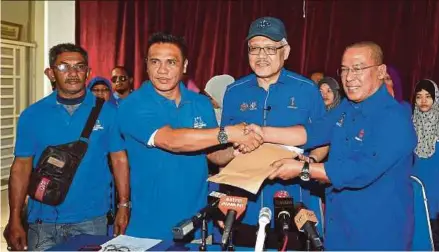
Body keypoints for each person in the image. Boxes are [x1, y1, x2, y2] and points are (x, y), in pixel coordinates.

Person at [244, 41, 417, 250]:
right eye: (344, 69)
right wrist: (263, 132)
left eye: (358, 69)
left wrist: (303, 169)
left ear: (381, 72)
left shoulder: (395, 118)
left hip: (378, 232)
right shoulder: (347, 107)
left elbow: (360, 170)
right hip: (339, 227)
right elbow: (312, 132)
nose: (349, 77)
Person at [116, 32, 262, 240]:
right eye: (155, 61)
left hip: (196, 225)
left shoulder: (200, 103)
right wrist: (229, 133)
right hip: (148, 228)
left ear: (184, 66)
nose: (162, 70)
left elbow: (214, 155)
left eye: (171, 62)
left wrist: (242, 146)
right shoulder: (133, 105)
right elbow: (172, 140)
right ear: (146, 65)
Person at [5, 43, 130, 251]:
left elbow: (119, 159)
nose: (73, 73)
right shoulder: (32, 115)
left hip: (92, 220)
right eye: (64, 67)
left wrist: (123, 205)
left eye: (80, 67)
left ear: (88, 72)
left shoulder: (108, 113)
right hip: (42, 221)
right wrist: (15, 217)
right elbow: (20, 167)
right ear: (51, 73)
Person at [219, 16, 327, 242]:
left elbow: (323, 141)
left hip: (295, 202)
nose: (261, 56)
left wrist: (309, 163)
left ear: (285, 51)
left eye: (269, 48)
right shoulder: (234, 91)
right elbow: (222, 145)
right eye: (254, 48)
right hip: (244, 207)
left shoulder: (307, 89)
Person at [412, 79, 439, 247]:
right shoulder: (410, 124)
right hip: (415, 188)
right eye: (419, 96)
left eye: (428, 96)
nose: (423, 101)